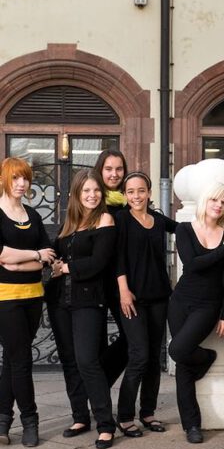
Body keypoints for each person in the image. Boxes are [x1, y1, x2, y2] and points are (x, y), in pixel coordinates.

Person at [50, 169, 117, 449]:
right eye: (86, 191)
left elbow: (99, 263)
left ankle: (105, 424)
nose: (92, 195)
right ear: (77, 194)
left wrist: (66, 267)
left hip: (89, 301)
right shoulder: (70, 224)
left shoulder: (105, 219)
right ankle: (80, 417)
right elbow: (55, 256)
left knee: (88, 360)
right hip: (60, 302)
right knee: (69, 361)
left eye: (96, 190)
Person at [167, 182, 224, 444]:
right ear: (206, 200)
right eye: (215, 199)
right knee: (183, 363)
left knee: (177, 350)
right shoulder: (184, 229)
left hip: (208, 305)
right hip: (180, 301)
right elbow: (192, 265)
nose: (219, 205)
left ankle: (206, 356)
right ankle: (192, 425)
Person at [115, 172, 177, 436]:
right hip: (132, 298)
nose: (136, 196)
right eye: (130, 192)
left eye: (141, 191)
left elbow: (187, 229)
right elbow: (116, 259)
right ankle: (125, 415)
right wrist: (123, 291)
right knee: (139, 355)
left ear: (149, 193)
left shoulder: (159, 220)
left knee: (153, 357)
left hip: (159, 296)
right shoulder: (120, 220)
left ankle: (148, 412)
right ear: (125, 195)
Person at [0, 158, 55, 447]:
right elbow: (2, 256)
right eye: (15, 178)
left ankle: (2, 422)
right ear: (4, 180)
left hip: (34, 297)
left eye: (25, 179)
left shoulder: (33, 215)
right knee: (21, 360)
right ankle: (30, 422)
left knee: (11, 360)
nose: (21, 184)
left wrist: (23, 262)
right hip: (5, 299)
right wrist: (34, 255)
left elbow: (48, 257)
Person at [93, 149, 129, 386]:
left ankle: (98, 386)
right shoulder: (92, 200)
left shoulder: (130, 201)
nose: (114, 174)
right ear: (100, 170)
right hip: (95, 280)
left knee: (131, 339)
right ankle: (96, 397)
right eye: (108, 169)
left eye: (119, 169)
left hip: (121, 281)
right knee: (94, 343)